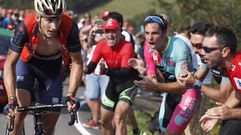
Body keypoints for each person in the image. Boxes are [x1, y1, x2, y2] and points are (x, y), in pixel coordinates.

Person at [3, 0, 83, 135]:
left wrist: (71, 95)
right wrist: (11, 99)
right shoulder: (25, 26)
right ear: (38, 16)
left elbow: (77, 62)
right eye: (49, 20)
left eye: (57, 19)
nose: (54, 26)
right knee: (19, 112)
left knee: (50, 121)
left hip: (52, 69)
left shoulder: (69, 26)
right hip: (27, 65)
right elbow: (9, 63)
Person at [131, 15, 201, 135]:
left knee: (171, 132)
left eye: (154, 33)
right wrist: (146, 73)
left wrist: (155, 86)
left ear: (164, 33)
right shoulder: (148, 46)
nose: (150, 38)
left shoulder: (179, 48)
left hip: (188, 92)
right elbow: (154, 75)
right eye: (147, 33)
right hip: (170, 92)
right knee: (163, 131)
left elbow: (182, 86)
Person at [178, 25, 241, 135]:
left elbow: (224, 96)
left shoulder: (239, 68)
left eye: (207, 49)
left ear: (225, 51)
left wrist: (230, 112)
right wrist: (220, 112)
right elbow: (238, 94)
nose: (202, 52)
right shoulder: (231, 66)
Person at [84, 20, 139, 135]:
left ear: (119, 33)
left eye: (113, 31)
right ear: (104, 34)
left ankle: (135, 129)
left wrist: (106, 71)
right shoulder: (101, 46)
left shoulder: (127, 46)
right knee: (104, 121)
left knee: (119, 118)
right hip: (114, 83)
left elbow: (125, 72)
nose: (110, 35)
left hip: (128, 83)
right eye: (107, 31)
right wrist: (83, 68)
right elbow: (90, 68)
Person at [82, 24, 109, 129]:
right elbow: (89, 43)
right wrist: (91, 34)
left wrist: (105, 35)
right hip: (92, 72)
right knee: (92, 97)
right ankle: (96, 120)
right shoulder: (95, 40)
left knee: (105, 100)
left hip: (106, 72)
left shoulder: (110, 38)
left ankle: (105, 121)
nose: (99, 33)